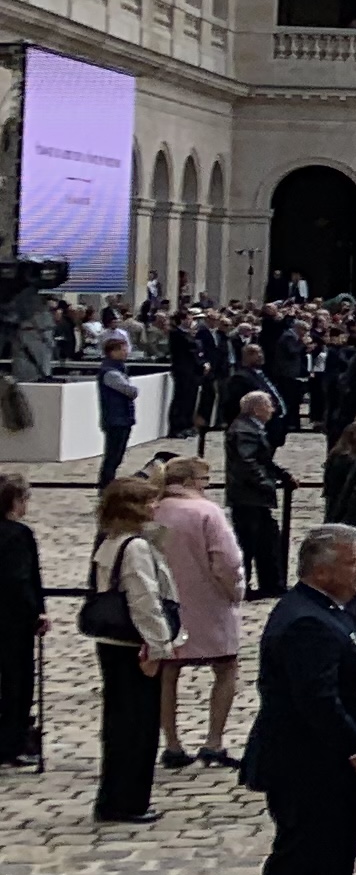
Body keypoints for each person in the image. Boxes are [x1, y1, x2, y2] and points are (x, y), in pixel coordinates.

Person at [239, 524, 356, 875]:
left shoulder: (332, 610)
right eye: (353, 560)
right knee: (299, 853)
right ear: (322, 571)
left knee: (338, 845)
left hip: (326, 763)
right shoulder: (306, 620)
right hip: (303, 761)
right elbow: (316, 698)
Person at [83, 472, 178, 826]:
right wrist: (158, 646)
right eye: (151, 501)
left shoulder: (110, 540)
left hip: (114, 643)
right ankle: (127, 799)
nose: (156, 506)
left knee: (121, 721)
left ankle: (116, 797)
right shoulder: (134, 546)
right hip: (132, 643)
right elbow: (144, 599)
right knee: (136, 724)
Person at [151, 454, 249, 772]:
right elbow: (227, 561)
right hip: (209, 601)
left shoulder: (154, 511)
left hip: (166, 603)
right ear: (193, 481)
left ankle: (172, 743)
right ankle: (214, 740)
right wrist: (235, 591)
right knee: (225, 667)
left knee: (168, 671)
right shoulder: (207, 512)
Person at [225, 387, 289, 597]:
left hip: (254, 496)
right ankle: (244, 585)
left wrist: (282, 474)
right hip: (248, 497)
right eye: (268, 405)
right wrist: (266, 483)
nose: (272, 410)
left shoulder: (252, 429)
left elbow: (263, 460)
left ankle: (271, 584)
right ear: (257, 409)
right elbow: (248, 463)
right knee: (248, 542)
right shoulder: (244, 431)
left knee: (267, 540)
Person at [0, 475, 39, 768]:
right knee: (15, 681)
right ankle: (10, 742)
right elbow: (19, 579)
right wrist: (36, 612)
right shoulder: (17, 534)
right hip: (11, 620)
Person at [94, 328, 137, 486]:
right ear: (112, 352)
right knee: (112, 457)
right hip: (115, 419)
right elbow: (129, 390)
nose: (126, 352)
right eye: (122, 349)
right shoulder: (110, 373)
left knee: (117, 457)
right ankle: (105, 487)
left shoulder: (118, 370)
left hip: (122, 418)